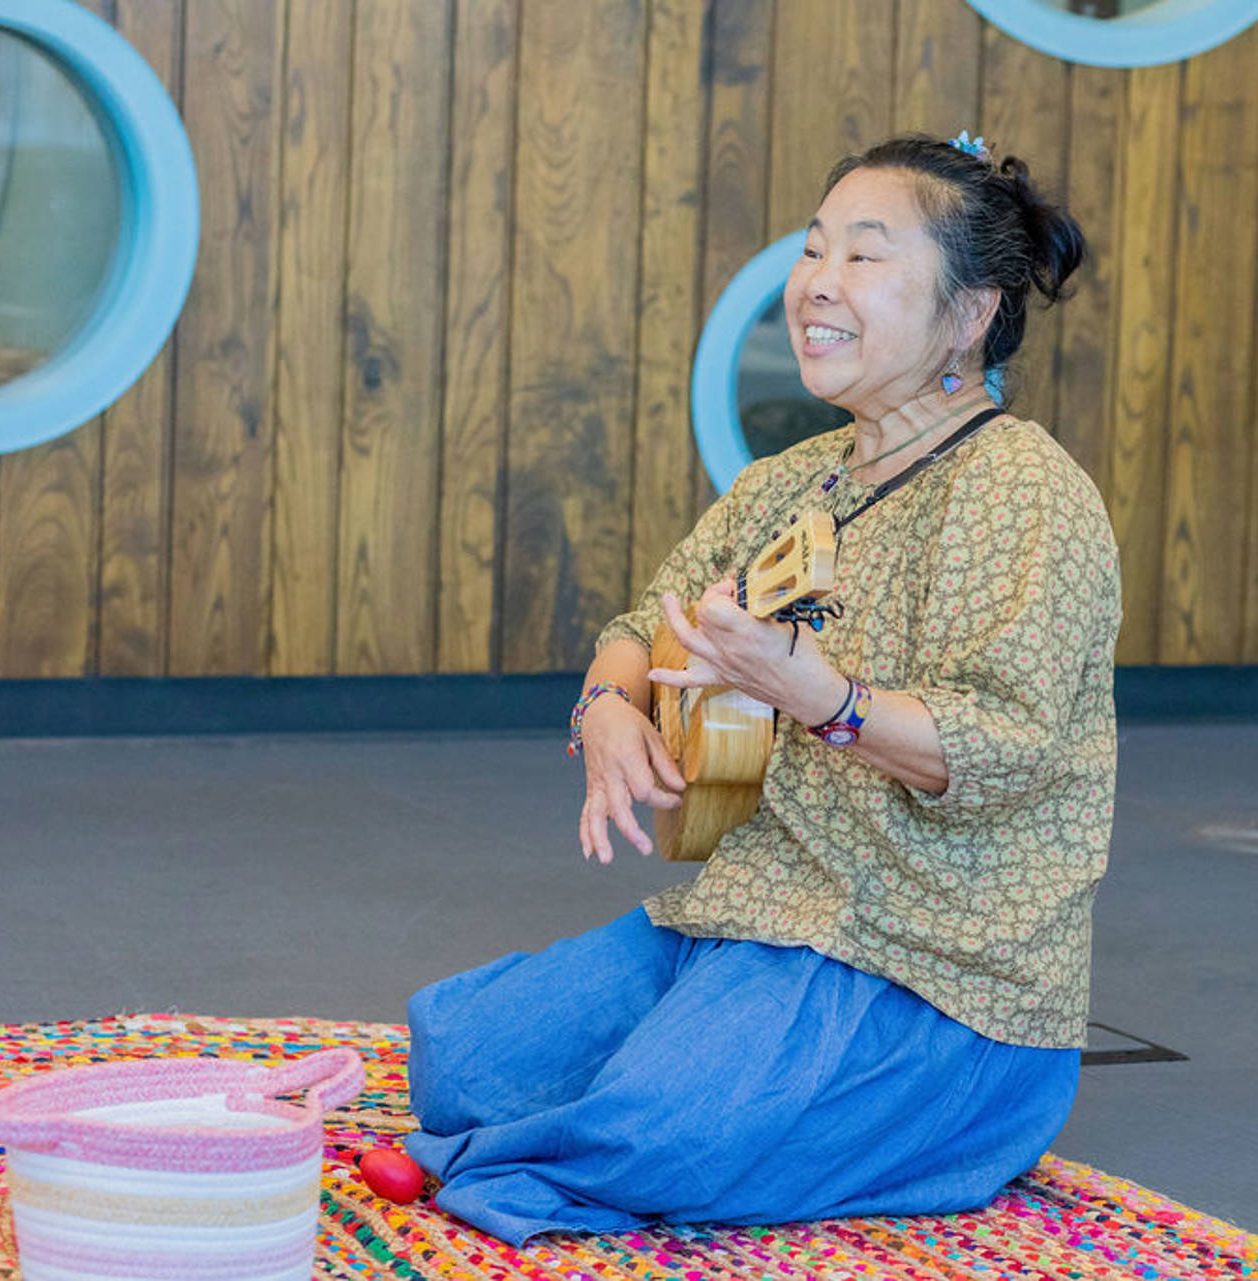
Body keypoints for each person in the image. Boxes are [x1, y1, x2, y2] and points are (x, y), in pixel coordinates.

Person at [404, 132, 1121, 1246]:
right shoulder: (794, 479)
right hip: (744, 914)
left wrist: (816, 695)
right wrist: (604, 712)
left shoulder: (1026, 489)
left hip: (924, 970)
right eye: (811, 250)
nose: (818, 286)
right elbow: (647, 627)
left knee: (664, 1130)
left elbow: (1003, 748)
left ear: (971, 312)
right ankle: (596, 1124)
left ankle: (943, 1118)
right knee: (461, 1057)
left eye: (866, 258)